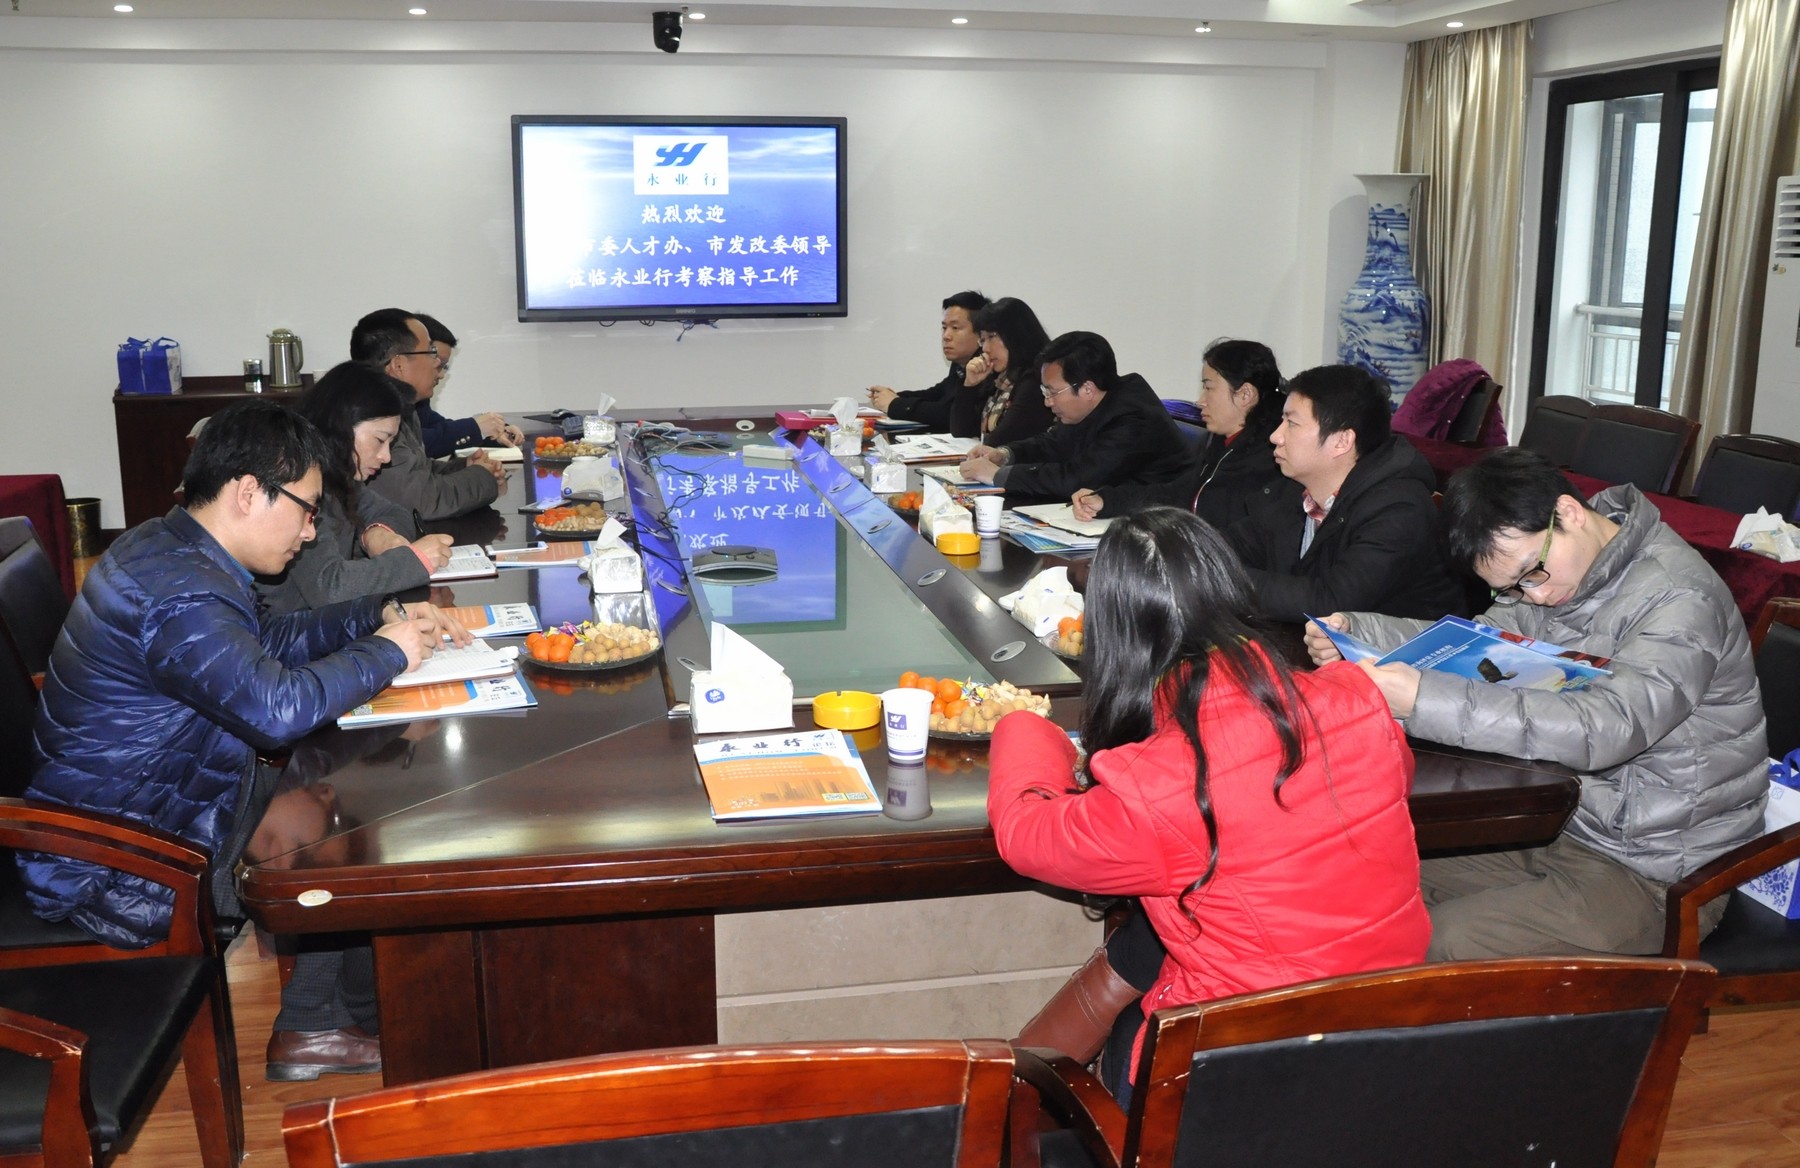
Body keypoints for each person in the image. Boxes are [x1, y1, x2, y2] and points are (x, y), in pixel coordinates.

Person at [22, 398, 472, 1080]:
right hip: (120, 859)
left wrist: (376, 614)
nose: (312, 531)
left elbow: (264, 646)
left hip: (155, 797)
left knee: (356, 793)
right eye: (307, 509)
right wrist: (389, 651)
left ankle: (357, 1010)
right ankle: (317, 1024)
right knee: (340, 822)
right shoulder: (181, 592)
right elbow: (274, 711)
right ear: (247, 492)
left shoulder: (171, 547)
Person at [988, 507, 1429, 1091]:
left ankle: (1019, 1096)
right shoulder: (1358, 699)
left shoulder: (1158, 783)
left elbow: (1025, 834)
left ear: (1113, 631)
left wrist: (1022, 723)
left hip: (1235, 1072)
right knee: (1159, 932)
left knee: (1141, 997)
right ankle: (1017, 1085)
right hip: (1392, 1032)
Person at [1305, 447, 1767, 960]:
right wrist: (1361, 634)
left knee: (1443, 942)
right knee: (1367, 880)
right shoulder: (1557, 575)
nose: (1535, 597)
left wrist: (1420, 698)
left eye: (1531, 574)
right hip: (1558, 824)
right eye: (1512, 589)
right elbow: (1473, 648)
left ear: (1568, 512)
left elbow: (1606, 729)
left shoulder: (1679, 597)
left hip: (1662, 872)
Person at [1225, 363, 1465, 622]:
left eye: (1291, 423)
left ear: (1341, 441)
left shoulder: (1400, 508)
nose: (1275, 436)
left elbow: (1332, 604)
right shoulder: (1295, 488)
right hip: (1312, 641)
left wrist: (1219, 579)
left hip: (1406, 647)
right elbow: (1232, 546)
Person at [257, 361, 455, 613]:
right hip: (283, 628)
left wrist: (375, 532)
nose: (386, 457)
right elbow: (330, 587)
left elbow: (395, 512)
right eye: (380, 440)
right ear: (342, 424)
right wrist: (416, 561)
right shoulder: (296, 480)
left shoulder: (340, 475)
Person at [1071, 337, 1285, 530]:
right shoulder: (1219, 442)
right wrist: (1106, 500)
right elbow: (1176, 494)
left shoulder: (1272, 459)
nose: (1200, 401)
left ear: (1245, 394)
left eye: (1209, 388)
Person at [958, 331, 1191, 504]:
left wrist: (997, 475)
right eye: (1045, 391)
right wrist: (1004, 455)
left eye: (1052, 392)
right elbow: (1053, 443)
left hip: (1158, 525)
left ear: (1087, 389)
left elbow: (1077, 479)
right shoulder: (1094, 405)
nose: (1047, 402)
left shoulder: (1134, 419)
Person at [353, 308, 506, 521]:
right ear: (398, 365)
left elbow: (419, 470)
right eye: (430, 353)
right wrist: (484, 477)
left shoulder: (402, 407)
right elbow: (423, 501)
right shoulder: (373, 416)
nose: (437, 364)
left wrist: (464, 467)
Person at [866, 290, 989, 431]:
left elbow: (949, 413)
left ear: (981, 334)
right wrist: (894, 396)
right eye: (944, 328)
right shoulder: (961, 364)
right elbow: (936, 394)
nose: (946, 336)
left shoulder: (985, 366)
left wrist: (895, 404)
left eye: (955, 328)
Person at [946, 296, 1056, 447]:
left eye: (992, 337)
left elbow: (998, 441)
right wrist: (969, 385)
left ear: (1017, 335)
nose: (985, 348)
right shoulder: (999, 377)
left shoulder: (1035, 381)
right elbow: (961, 431)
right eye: (982, 339)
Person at [413, 313, 525, 457]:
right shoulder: (388, 398)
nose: (441, 375)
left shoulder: (419, 400)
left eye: (444, 366)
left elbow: (438, 427)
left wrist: (494, 433)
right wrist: (476, 427)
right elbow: (417, 443)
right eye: (436, 363)